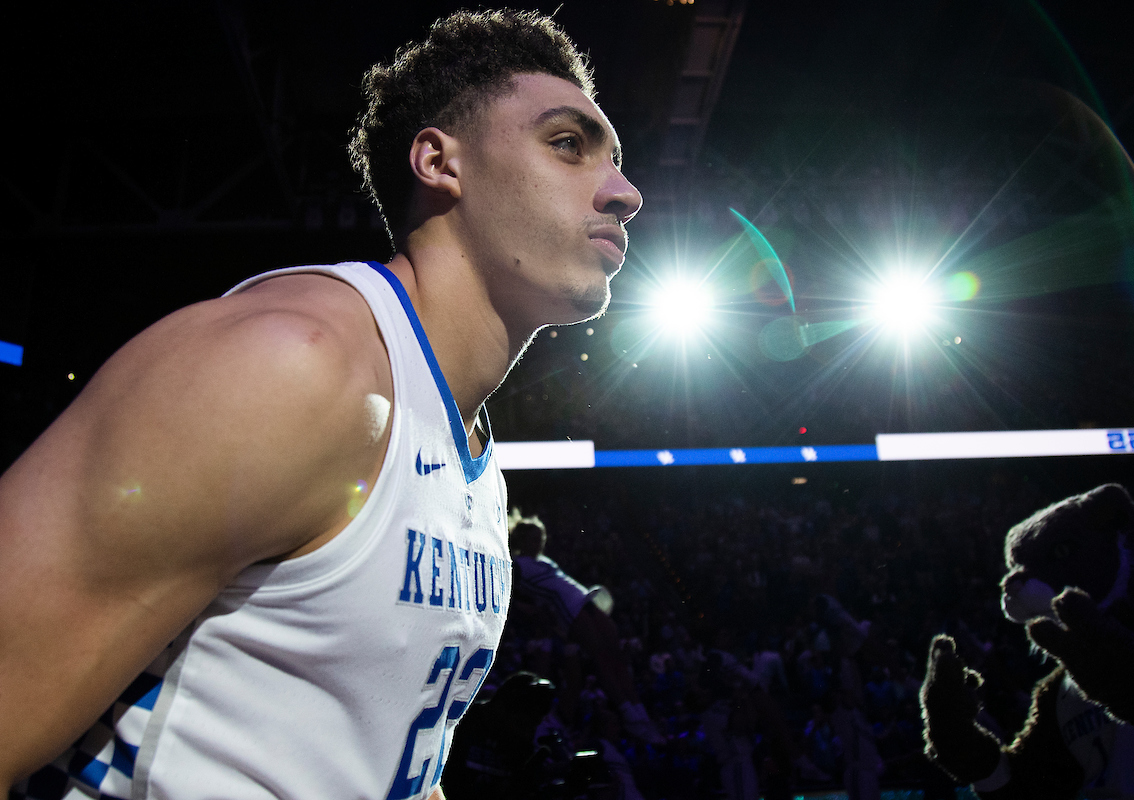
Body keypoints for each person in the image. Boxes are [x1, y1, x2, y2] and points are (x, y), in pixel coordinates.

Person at [0, 9, 641, 800]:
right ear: (440, 162)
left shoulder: (470, 457)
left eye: (617, 160)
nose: (625, 193)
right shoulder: (291, 365)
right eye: (569, 144)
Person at [508, 513, 665, 745]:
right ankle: (630, 717)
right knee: (602, 658)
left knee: (617, 657)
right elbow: (510, 596)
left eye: (541, 537)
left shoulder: (545, 561)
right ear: (521, 540)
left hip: (586, 600)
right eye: (533, 538)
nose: (539, 542)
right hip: (569, 612)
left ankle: (641, 715)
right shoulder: (518, 565)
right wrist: (534, 612)